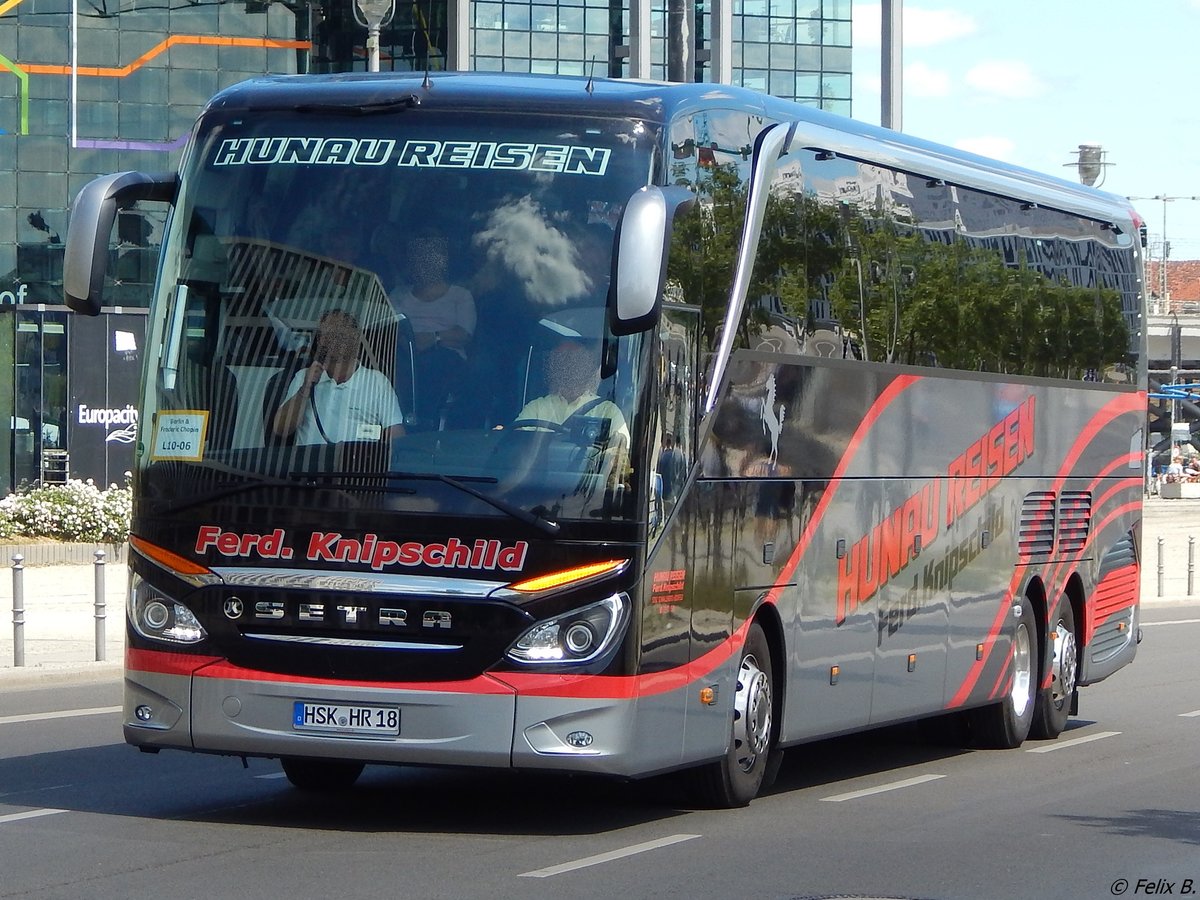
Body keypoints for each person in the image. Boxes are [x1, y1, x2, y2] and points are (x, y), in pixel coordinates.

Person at [272, 309, 405, 445]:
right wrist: (305, 389)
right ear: (320, 339)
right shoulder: (303, 377)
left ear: (356, 339)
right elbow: (281, 429)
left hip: (359, 464)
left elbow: (396, 437)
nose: (336, 339)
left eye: (342, 334)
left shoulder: (377, 382)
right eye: (329, 334)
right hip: (310, 463)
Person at [389, 228, 476, 424]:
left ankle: (424, 424)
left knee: (435, 365)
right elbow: (387, 328)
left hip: (445, 357)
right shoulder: (398, 294)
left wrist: (433, 338)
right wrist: (409, 343)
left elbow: (464, 333)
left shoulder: (460, 295)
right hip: (402, 355)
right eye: (419, 257)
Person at [515, 339, 629, 446]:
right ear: (553, 366)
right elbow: (515, 444)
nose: (567, 364)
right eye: (561, 358)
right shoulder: (536, 407)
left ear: (586, 365)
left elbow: (621, 455)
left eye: (574, 358)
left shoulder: (608, 410)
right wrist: (501, 435)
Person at [656, 431, 687, 500]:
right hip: (675, 493)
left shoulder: (662, 456)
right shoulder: (679, 456)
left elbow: (658, 472)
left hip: (664, 492)